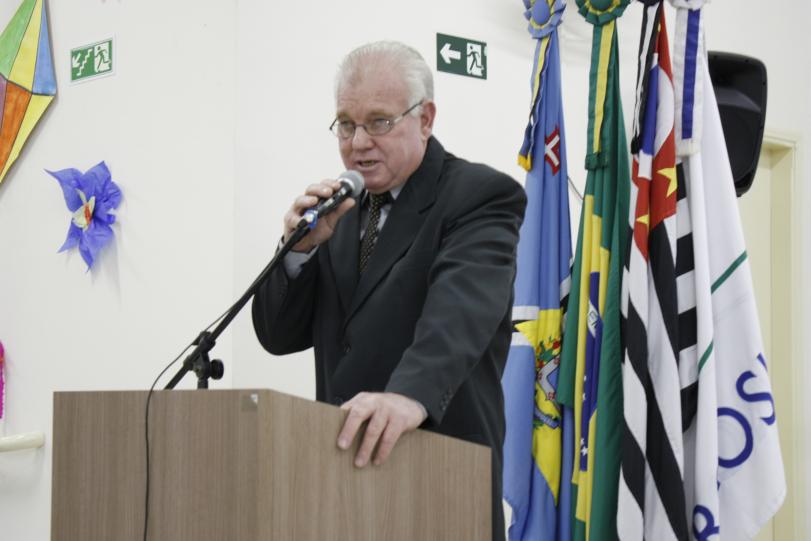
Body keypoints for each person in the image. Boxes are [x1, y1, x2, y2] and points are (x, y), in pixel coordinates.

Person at [252, 40, 526, 540]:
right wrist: (298, 252)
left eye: (378, 122)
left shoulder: (479, 195)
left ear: (425, 119)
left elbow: (459, 313)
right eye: (346, 124)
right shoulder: (339, 209)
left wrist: (407, 397)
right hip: (341, 482)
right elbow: (278, 335)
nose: (358, 143)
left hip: (440, 482)